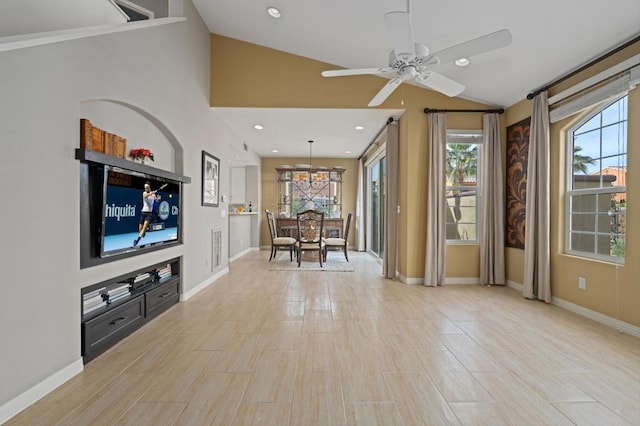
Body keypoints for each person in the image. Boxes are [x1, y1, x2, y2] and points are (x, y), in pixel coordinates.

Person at [134, 182, 157, 246]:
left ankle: (137, 241)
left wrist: (158, 199)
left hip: (149, 214)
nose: (146, 189)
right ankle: (142, 233)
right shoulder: (144, 193)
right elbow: (145, 196)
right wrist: (150, 193)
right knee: (140, 230)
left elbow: (156, 200)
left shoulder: (153, 195)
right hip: (143, 213)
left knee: (145, 226)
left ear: (149, 187)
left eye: (147, 188)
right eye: (145, 188)